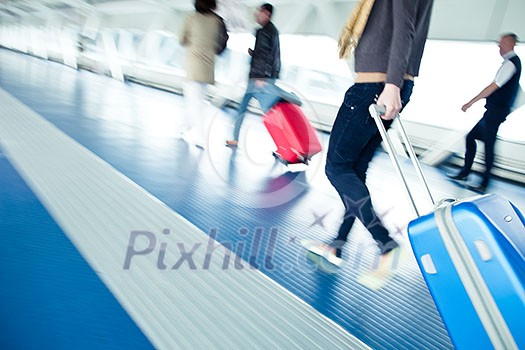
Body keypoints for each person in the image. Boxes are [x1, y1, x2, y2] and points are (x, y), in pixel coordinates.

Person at [314, 0, 434, 266]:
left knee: (336, 168)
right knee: (354, 172)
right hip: (388, 84)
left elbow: (405, 27)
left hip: (376, 86)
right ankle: (338, 244)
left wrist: (392, 84)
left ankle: (385, 241)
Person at [448, 33, 521, 192]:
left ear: (510, 43)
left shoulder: (511, 64)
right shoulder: (514, 64)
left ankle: (482, 182)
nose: (499, 46)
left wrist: (470, 102)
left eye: (501, 43)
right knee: (473, 138)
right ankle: (466, 173)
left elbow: (493, 86)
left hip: (495, 113)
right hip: (495, 112)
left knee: (487, 146)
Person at [225, 3, 281, 148]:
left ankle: (283, 145)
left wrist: (262, 78)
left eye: (259, 11)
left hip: (259, 79)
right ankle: (282, 146)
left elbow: (266, 57)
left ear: (267, 13)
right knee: (267, 113)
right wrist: (254, 54)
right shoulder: (271, 31)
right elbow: (269, 55)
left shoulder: (264, 32)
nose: (256, 14)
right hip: (265, 77)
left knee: (253, 111)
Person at [180, 0, 227, 149]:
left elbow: (181, 40)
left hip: (193, 65)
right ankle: (184, 128)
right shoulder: (218, 21)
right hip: (208, 67)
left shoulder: (192, 18)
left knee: (195, 102)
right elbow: (223, 43)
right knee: (195, 99)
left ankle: (200, 138)